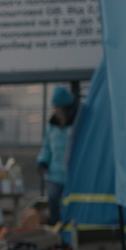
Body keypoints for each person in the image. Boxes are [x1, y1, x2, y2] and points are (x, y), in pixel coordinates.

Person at [37, 86, 77, 225]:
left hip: (72, 173)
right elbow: (46, 147)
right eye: (55, 107)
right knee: (53, 199)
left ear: (67, 108)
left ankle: (70, 231)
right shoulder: (51, 127)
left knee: (70, 204)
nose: (56, 111)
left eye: (59, 108)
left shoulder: (75, 126)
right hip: (54, 174)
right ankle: (57, 228)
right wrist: (42, 162)